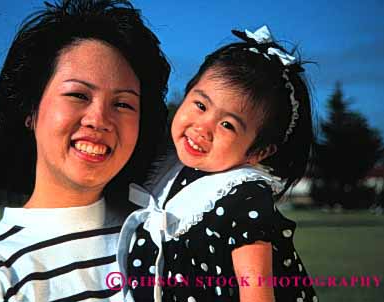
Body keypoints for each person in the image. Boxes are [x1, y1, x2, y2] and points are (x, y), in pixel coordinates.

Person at [0, 0, 170, 301]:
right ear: (30, 109)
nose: (99, 120)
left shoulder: (161, 233)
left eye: (123, 104)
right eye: (78, 95)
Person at [117, 26, 318, 302]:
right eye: (200, 105)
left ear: (258, 152)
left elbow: (256, 294)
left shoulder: (244, 197)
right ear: (186, 93)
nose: (203, 128)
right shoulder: (164, 164)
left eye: (227, 125)